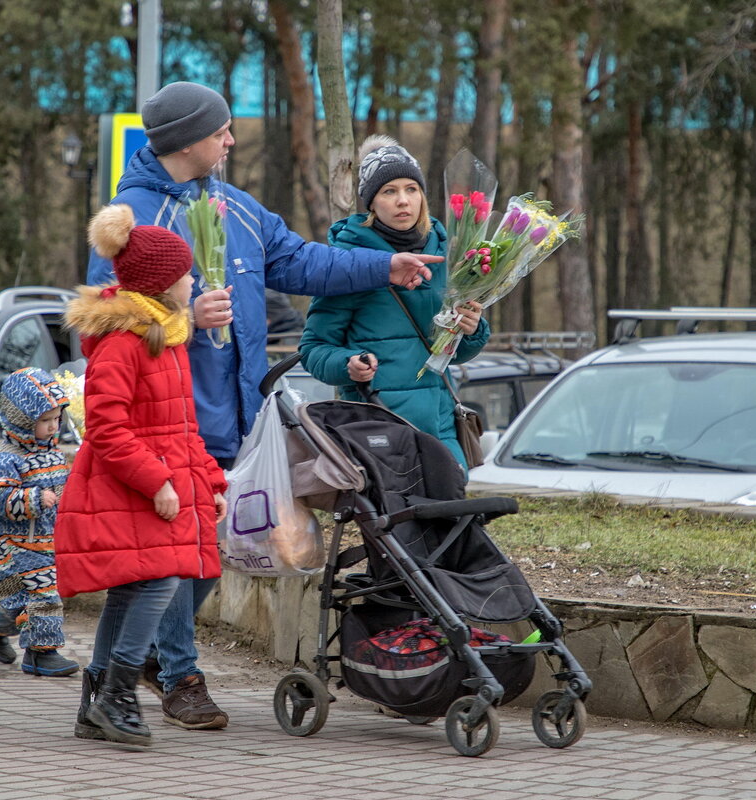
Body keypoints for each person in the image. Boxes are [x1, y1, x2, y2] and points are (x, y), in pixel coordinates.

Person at [86, 81, 442, 730]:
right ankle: (177, 674)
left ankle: (138, 664)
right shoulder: (132, 218)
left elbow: (303, 263)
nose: (230, 138)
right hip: (167, 419)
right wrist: (183, 315)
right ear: (190, 139)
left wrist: (381, 270)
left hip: (235, 417)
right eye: (221, 130)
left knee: (200, 555)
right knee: (176, 554)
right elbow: (102, 318)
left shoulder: (235, 207)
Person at [56, 203, 228, 747]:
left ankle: (99, 701)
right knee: (159, 579)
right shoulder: (125, 343)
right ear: (160, 285)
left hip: (163, 484)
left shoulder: (167, 339)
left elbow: (182, 428)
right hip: (133, 486)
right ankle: (119, 693)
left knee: (134, 588)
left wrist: (210, 482)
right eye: (186, 275)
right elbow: (106, 428)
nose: (193, 281)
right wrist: (157, 483)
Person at [299, 135, 490, 470]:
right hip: (376, 430)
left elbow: (454, 353)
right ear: (371, 202)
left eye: (411, 189)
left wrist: (471, 330)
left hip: (441, 426)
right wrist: (348, 364)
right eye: (389, 191)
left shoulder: (448, 253)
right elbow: (313, 349)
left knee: (455, 516)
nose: (403, 201)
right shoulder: (348, 263)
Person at [0, 367, 80, 677]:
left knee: (19, 601)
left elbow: (60, 489)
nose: (52, 426)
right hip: (12, 546)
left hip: (43, 542)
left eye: (56, 419)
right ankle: (40, 653)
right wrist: (32, 499)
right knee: (42, 595)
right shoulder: (6, 458)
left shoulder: (53, 454)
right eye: (44, 421)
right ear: (22, 420)